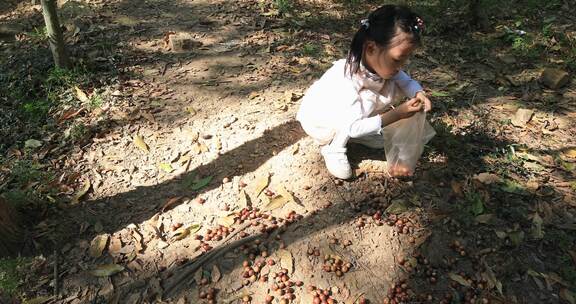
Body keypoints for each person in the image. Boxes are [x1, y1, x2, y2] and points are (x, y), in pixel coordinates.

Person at [296, 4, 432, 179]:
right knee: (361, 109)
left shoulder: (382, 65)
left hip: (353, 115)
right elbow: (351, 127)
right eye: (398, 59)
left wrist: (418, 93)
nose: (401, 67)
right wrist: (397, 114)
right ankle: (333, 146)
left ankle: (363, 133)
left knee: (368, 108)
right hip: (328, 120)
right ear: (371, 48)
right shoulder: (347, 81)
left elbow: (406, 81)